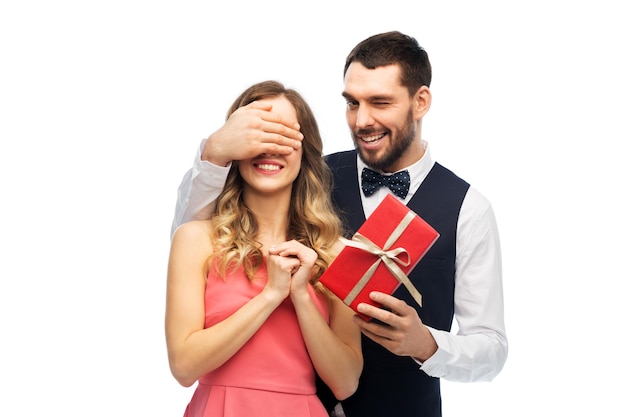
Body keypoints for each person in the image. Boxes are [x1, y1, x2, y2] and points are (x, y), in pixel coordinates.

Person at [171, 31, 508, 417]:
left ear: (420, 101)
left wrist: (427, 344)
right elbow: (202, 240)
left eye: (380, 102)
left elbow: (492, 348)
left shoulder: (468, 209)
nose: (362, 120)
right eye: (352, 103)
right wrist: (214, 154)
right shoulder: (305, 178)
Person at [166, 80, 363, 417]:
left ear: (306, 152)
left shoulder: (337, 253)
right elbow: (184, 366)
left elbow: (345, 382)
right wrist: (271, 295)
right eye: (258, 133)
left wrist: (300, 295)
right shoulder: (195, 240)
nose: (269, 148)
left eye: (284, 135)